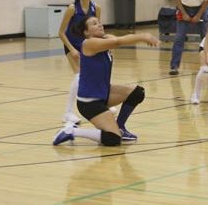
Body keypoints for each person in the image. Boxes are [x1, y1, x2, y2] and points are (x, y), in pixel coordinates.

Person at [53, 16, 159, 146]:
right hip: (89, 103)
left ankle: (119, 127)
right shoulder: (89, 43)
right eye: (94, 24)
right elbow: (118, 42)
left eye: (99, 22)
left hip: (103, 93)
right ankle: (73, 131)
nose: (100, 25)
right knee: (113, 139)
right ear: (86, 32)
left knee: (137, 92)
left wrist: (133, 37)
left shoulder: (105, 39)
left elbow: (117, 40)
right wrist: (143, 36)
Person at [58, 0, 117, 124]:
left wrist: (105, 46)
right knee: (79, 78)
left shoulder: (96, 8)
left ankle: (101, 105)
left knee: (98, 73)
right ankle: (67, 113)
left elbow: (98, 30)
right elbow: (60, 32)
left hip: (88, 45)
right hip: (73, 46)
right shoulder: (72, 9)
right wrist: (71, 49)